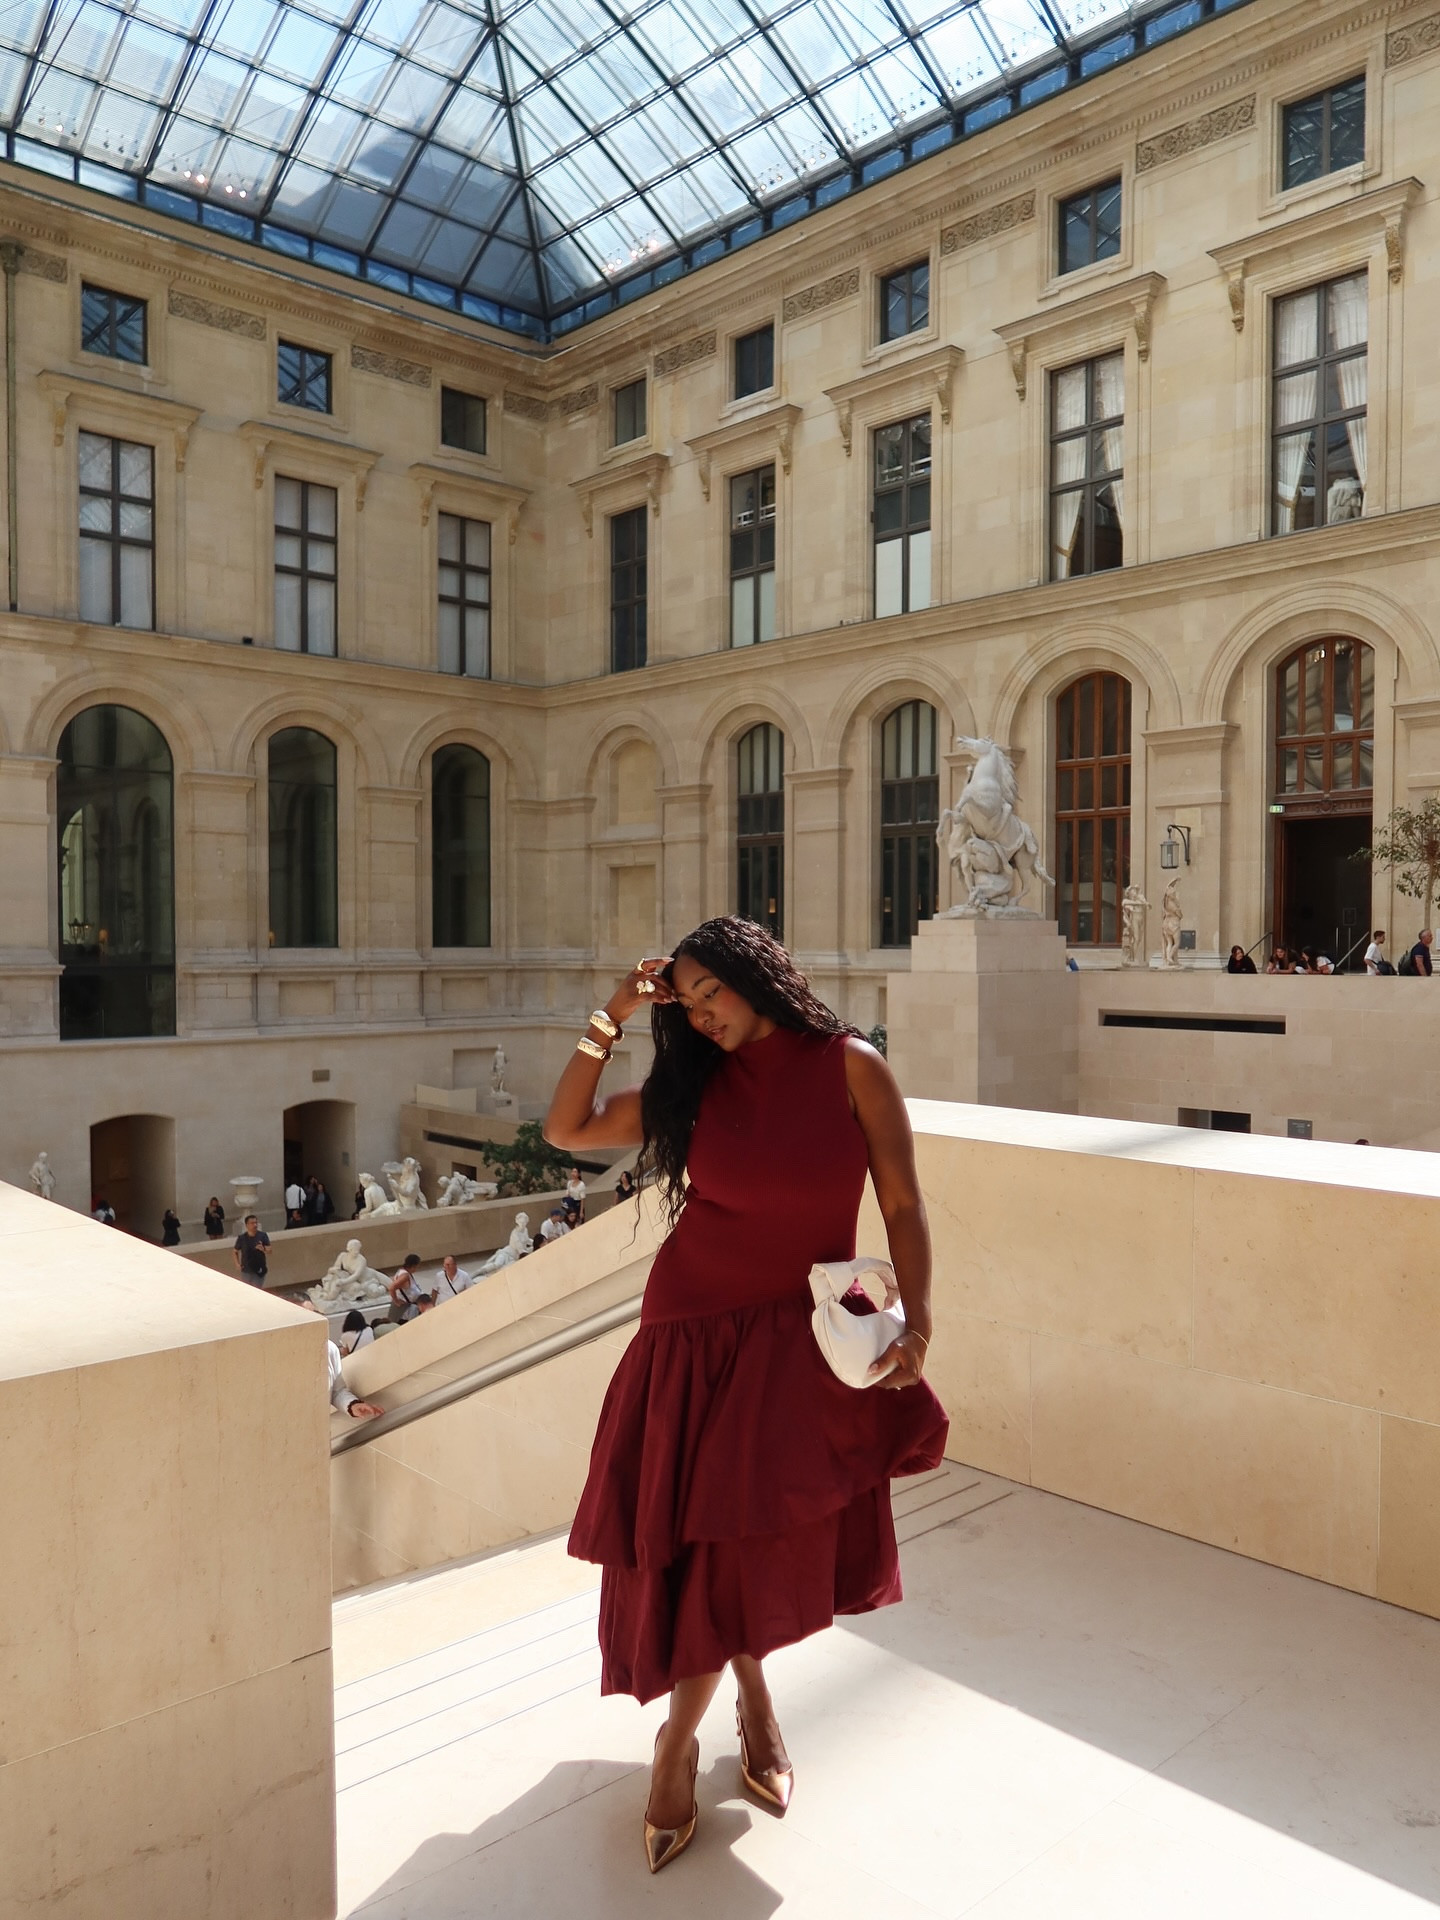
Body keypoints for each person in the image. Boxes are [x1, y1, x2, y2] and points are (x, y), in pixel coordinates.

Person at [545, 918, 946, 1873]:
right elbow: (565, 1130)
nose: (700, 1012)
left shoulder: (850, 1067)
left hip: (792, 1339)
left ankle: (719, 1721)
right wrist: (613, 1012)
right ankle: (711, 1726)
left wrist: (919, 1320)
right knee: (703, 1543)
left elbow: (901, 1202)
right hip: (687, 1336)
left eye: (708, 991)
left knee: (747, 1539)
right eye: (683, 1000)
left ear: (752, 974)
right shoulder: (693, 1087)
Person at [386, 1253, 426, 1323]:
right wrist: (396, 1301)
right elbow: (391, 1288)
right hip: (406, 1308)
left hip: (409, 1306)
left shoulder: (402, 1272)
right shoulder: (404, 1276)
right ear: (414, 1266)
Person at [232, 1213, 271, 1286]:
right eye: (252, 1223)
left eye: (256, 1223)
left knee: (257, 1290)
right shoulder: (242, 1238)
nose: (255, 1225)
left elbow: (269, 1250)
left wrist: (263, 1249)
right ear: (247, 1225)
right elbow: (235, 1251)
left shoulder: (262, 1235)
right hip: (246, 1270)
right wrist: (237, 1264)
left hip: (259, 1269)